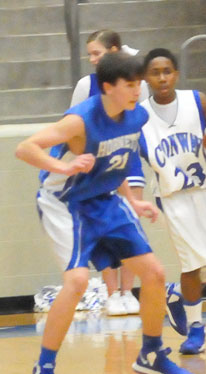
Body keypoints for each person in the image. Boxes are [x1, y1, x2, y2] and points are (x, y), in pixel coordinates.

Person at [16, 51, 195, 374]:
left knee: (155, 273)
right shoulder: (79, 121)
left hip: (105, 200)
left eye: (139, 83)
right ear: (107, 87)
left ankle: (151, 354)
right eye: (131, 84)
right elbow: (25, 148)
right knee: (78, 282)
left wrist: (132, 199)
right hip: (65, 203)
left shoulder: (136, 116)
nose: (138, 90)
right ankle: (45, 370)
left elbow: (119, 157)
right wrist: (62, 166)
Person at [137, 48, 206, 355]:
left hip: (204, 190)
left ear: (176, 74)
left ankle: (177, 295)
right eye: (155, 72)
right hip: (172, 197)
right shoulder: (138, 115)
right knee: (193, 262)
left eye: (167, 71)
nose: (162, 77)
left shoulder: (197, 100)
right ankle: (196, 329)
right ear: (146, 78)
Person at [71, 29, 149, 316]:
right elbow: (74, 128)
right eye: (90, 53)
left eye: (97, 53)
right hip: (96, 165)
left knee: (130, 224)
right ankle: (112, 293)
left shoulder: (134, 82)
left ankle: (129, 292)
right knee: (102, 228)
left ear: (114, 51)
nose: (92, 59)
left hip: (126, 158)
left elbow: (136, 123)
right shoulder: (85, 85)